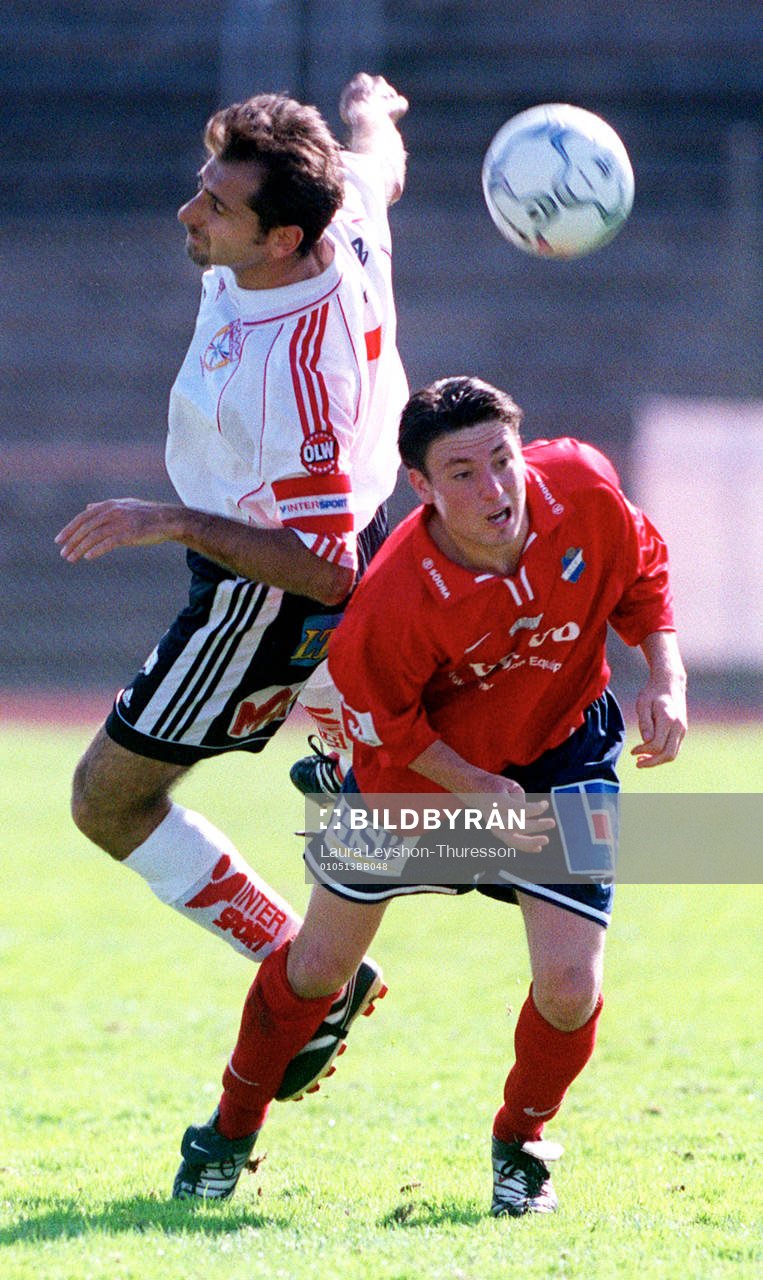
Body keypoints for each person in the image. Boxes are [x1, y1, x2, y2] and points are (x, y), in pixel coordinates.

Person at [172, 375, 687, 1214]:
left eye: (501, 459)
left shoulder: (585, 486)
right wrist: (479, 787)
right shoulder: (394, 596)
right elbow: (383, 725)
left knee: (568, 989)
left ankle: (520, 1145)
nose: (494, 490)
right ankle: (227, 1132)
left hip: (563, 753)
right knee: (316, 970)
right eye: (461, 473)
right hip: (412, 781)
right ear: (420, 485)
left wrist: (665, 676)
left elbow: (642, 571)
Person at [54, 73, 409, 1098]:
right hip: (315, 525)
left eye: (217, 204)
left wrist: (165, 517)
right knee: (393, 767)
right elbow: (375, 176)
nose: (190, 211)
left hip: (271, 583)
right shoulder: (330, 201)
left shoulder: (294, 377)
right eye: (201, 186)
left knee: (106, 800)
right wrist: (372, 119)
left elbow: (327, 567)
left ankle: (300, 967)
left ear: (286, 240)